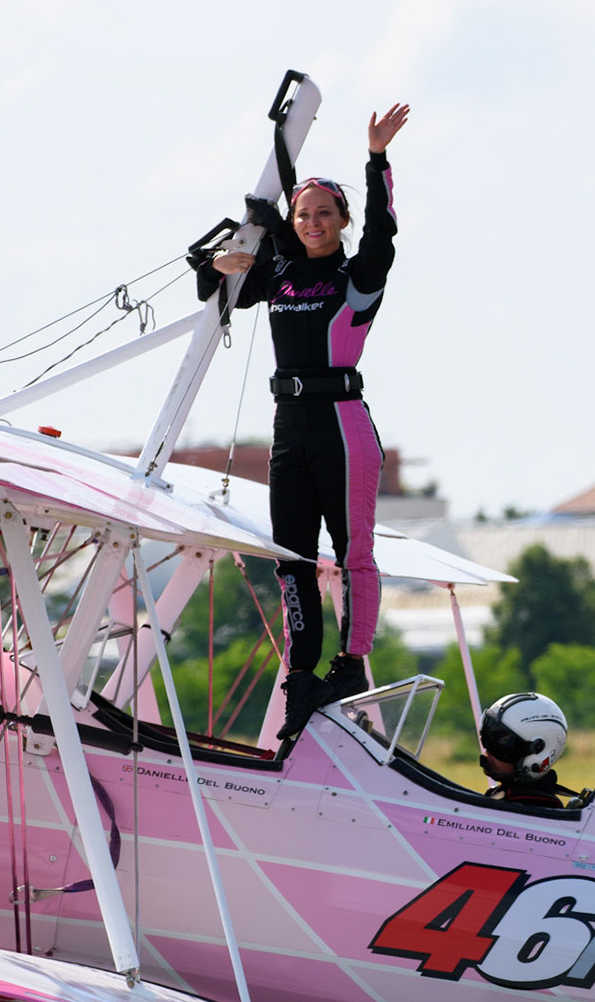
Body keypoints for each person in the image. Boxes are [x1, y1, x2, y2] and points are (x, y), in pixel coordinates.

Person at [198, 103, 410, 738]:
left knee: (352, 555)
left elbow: (384, 230)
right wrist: (217, 264)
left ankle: (350, 663)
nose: (313, 223)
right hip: (288, 428)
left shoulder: (358, 275)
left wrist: (376, 159)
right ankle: (300, 673)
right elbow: (219, 286)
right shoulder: (281, 274)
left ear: (342, 221)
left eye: (325, 214)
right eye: (303, 214)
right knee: (291, 558)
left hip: (342, 425)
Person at [478, 692, 582, 808]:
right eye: (487, 740)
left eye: (499, 747)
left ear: (537, 755)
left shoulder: (529, 809)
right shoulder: (503, 796)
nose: (487, 754)